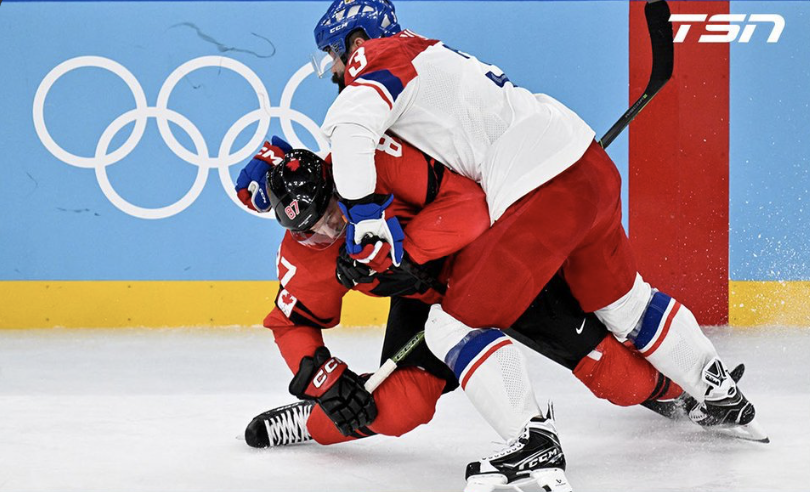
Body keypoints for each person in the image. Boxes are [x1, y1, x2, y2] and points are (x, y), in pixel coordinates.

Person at [311, 0, 766, 489]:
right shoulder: (431, 52)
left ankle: (532, 443)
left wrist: (362, 215)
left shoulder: (378, 55)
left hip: (541, 191)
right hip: (586, 163)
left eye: (334, 55)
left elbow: (352, 126)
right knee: (626, 303)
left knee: (451, 325)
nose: (336, 69)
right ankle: (718, 389)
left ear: (355, 40)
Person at [234, 136, 690, 480]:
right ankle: (309, 424)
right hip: (434, 303)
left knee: (620, 379)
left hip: (503, 265)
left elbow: (470, 208)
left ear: (340, 184)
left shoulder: (379, 162)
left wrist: (408, 255)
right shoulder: (304, 254)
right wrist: (326, 382)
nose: (331, 233)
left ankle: (687, 393)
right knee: (395, 409)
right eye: (312, 232)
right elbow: (290, 324)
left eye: (333, 211)